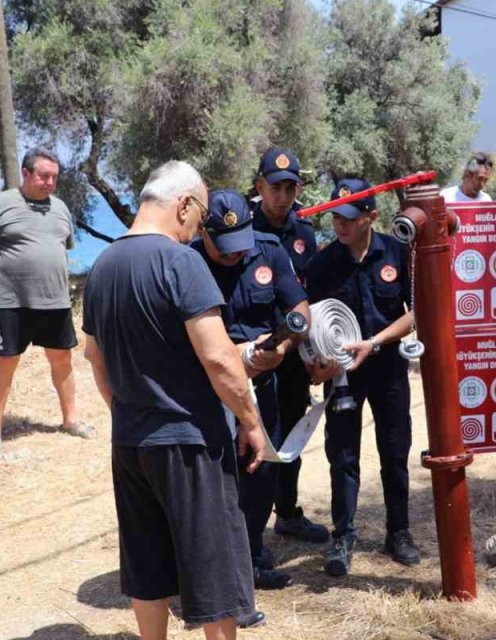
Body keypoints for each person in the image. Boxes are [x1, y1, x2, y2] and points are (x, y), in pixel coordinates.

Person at [81, 161, 267, 639]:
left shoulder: (102, 266)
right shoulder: (181, 262)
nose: (198, 229)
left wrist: (124, 410)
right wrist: (250, 421)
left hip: (131, 440)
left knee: (148, 562)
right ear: (183, 203)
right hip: (188, 442)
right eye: (201, 217)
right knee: (213, 567)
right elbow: (220, 359)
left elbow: (94, 356)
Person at [192, 189, 310, 590]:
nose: (234, 256)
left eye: (239, 246)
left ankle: (253, 552)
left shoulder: (269, 250)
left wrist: (283, 348)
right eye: (223, 249)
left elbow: (299, 310)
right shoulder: (186, 260)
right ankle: (213, 562)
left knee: (261, 468)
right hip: (209, 384)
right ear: (203, 233)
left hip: (263, 382)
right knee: (215, 474)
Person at [305, 178, 419, 577]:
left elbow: (415, 312)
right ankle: (343, 535)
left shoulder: (398, 251)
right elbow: (313, 325)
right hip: (342, 375)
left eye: (350, 217)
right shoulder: (321, 265)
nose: (341, 224)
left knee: (394, 451)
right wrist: (318, 363)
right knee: (343, 455)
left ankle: (399, 532)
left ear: (372, 216)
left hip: (387, 367)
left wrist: (376, 340)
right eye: (336, 216)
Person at [0, 147, 94, 460]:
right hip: (8, 301)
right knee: (5, 363)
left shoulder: (61, 209)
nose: (50, 182)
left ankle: (69, 420)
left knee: (62, 360)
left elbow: (61, 248)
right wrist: (4, 270)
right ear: (25, 173)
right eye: (43, 176)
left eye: (54, 177)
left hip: (55, 300)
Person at [248, 147, 328, 544]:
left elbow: (309, 295)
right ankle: (251, 530)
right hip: (257, 353)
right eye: (275, 187)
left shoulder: (303, 234)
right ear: (260, 186)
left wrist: (313, 352)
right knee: (261, 436)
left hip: (295, 352)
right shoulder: (243, 231)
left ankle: (288, 512)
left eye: (290, 188)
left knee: (293, 430)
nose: (283, 195)